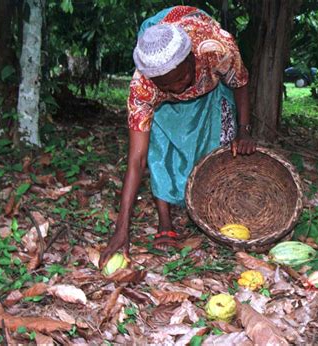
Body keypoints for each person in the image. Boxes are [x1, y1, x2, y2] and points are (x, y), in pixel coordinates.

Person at [99, 6, 256, 267]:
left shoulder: (216, 47)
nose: (177, 88)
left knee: (218, 144)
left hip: (209, 93)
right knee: (159, 151)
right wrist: (121, 229)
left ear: (192, 58)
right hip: (163, 107)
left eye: (180, 78)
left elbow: (240, 83)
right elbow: (136, 162)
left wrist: (244, 130)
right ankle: (165, 221)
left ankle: (212, 208)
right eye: (166, 85)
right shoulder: (143, 87)